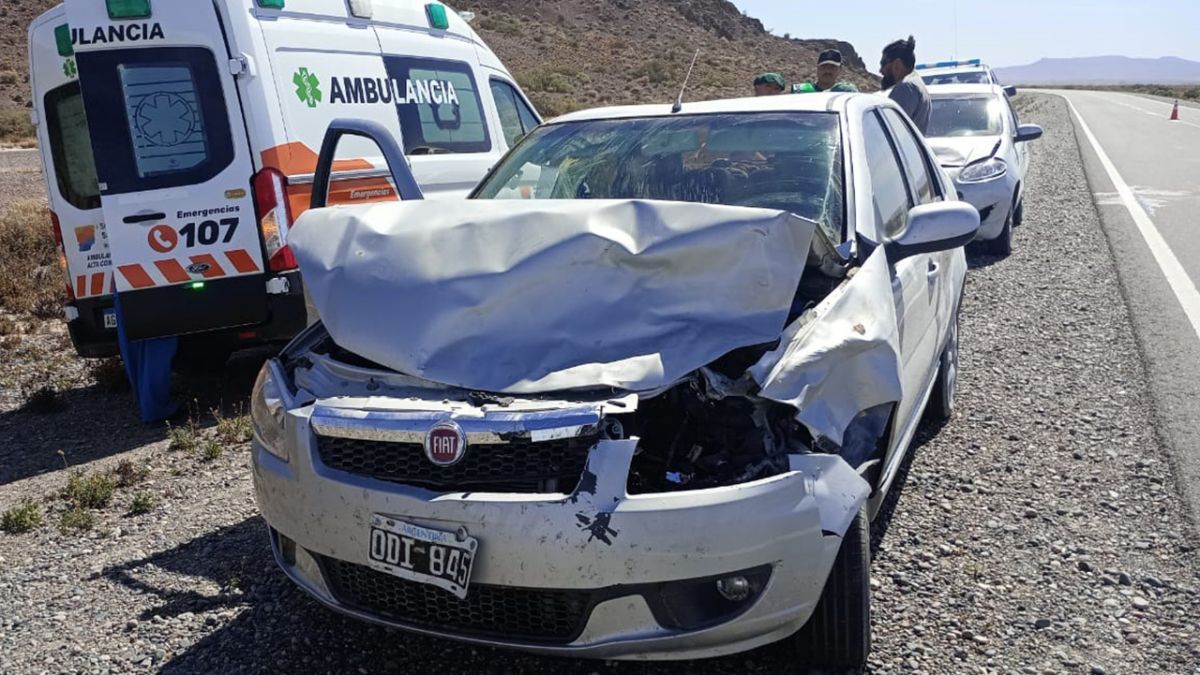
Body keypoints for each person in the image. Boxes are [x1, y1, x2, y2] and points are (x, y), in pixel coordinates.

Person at [879, 36, 931, 133]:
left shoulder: (906, 88)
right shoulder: (915, 83)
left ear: (897, 64)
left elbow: (891, 128)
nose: (881, 70)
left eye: (883, 64)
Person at [794, 49, 859, 93]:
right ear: (817, 68)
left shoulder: (846, 91)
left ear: (840, 69)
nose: (827, 71)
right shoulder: (801, 90)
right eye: (824, 66)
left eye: (832, 67)